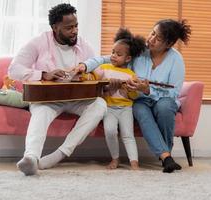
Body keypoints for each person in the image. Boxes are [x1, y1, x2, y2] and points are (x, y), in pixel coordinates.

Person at [75, 19, 191, 173]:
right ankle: (166, 158)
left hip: (163, 100)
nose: (151, 39)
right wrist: (84, 65)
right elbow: (107, 58)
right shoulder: (138, 51)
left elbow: (174, 92)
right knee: (141, 110)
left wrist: (148, 90)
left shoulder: (176, 60)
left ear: (168, 44)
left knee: (164, 107)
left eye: (158, 38)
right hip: (140, 100)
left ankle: (165, 154)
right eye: (152, 33)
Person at [8, 3, 107, 176]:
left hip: (77, 99)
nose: (75, 31)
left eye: (76, 26)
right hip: (49, 99)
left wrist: (92, 76)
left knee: (100, 105)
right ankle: (31, 158)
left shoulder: (83, 44)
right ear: (55, 27)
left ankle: (59, 155)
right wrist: (44, 74)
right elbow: (14, 69)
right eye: (69, 28)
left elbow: (99, 71)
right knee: (40, 112)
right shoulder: (39, 42)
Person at [93, 28, 145, 170]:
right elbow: (94, 82)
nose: (114, 56)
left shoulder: (131, 75)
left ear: (128, 59)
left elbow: (134, 96)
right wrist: (105, 86)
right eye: (113, 52)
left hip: (125, 109)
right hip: (109, 108)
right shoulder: (104, 68)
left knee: (128, 135)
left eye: (118, 54)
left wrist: (128, 90)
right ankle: (115, 159)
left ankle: (134, 162)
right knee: (110, 131)